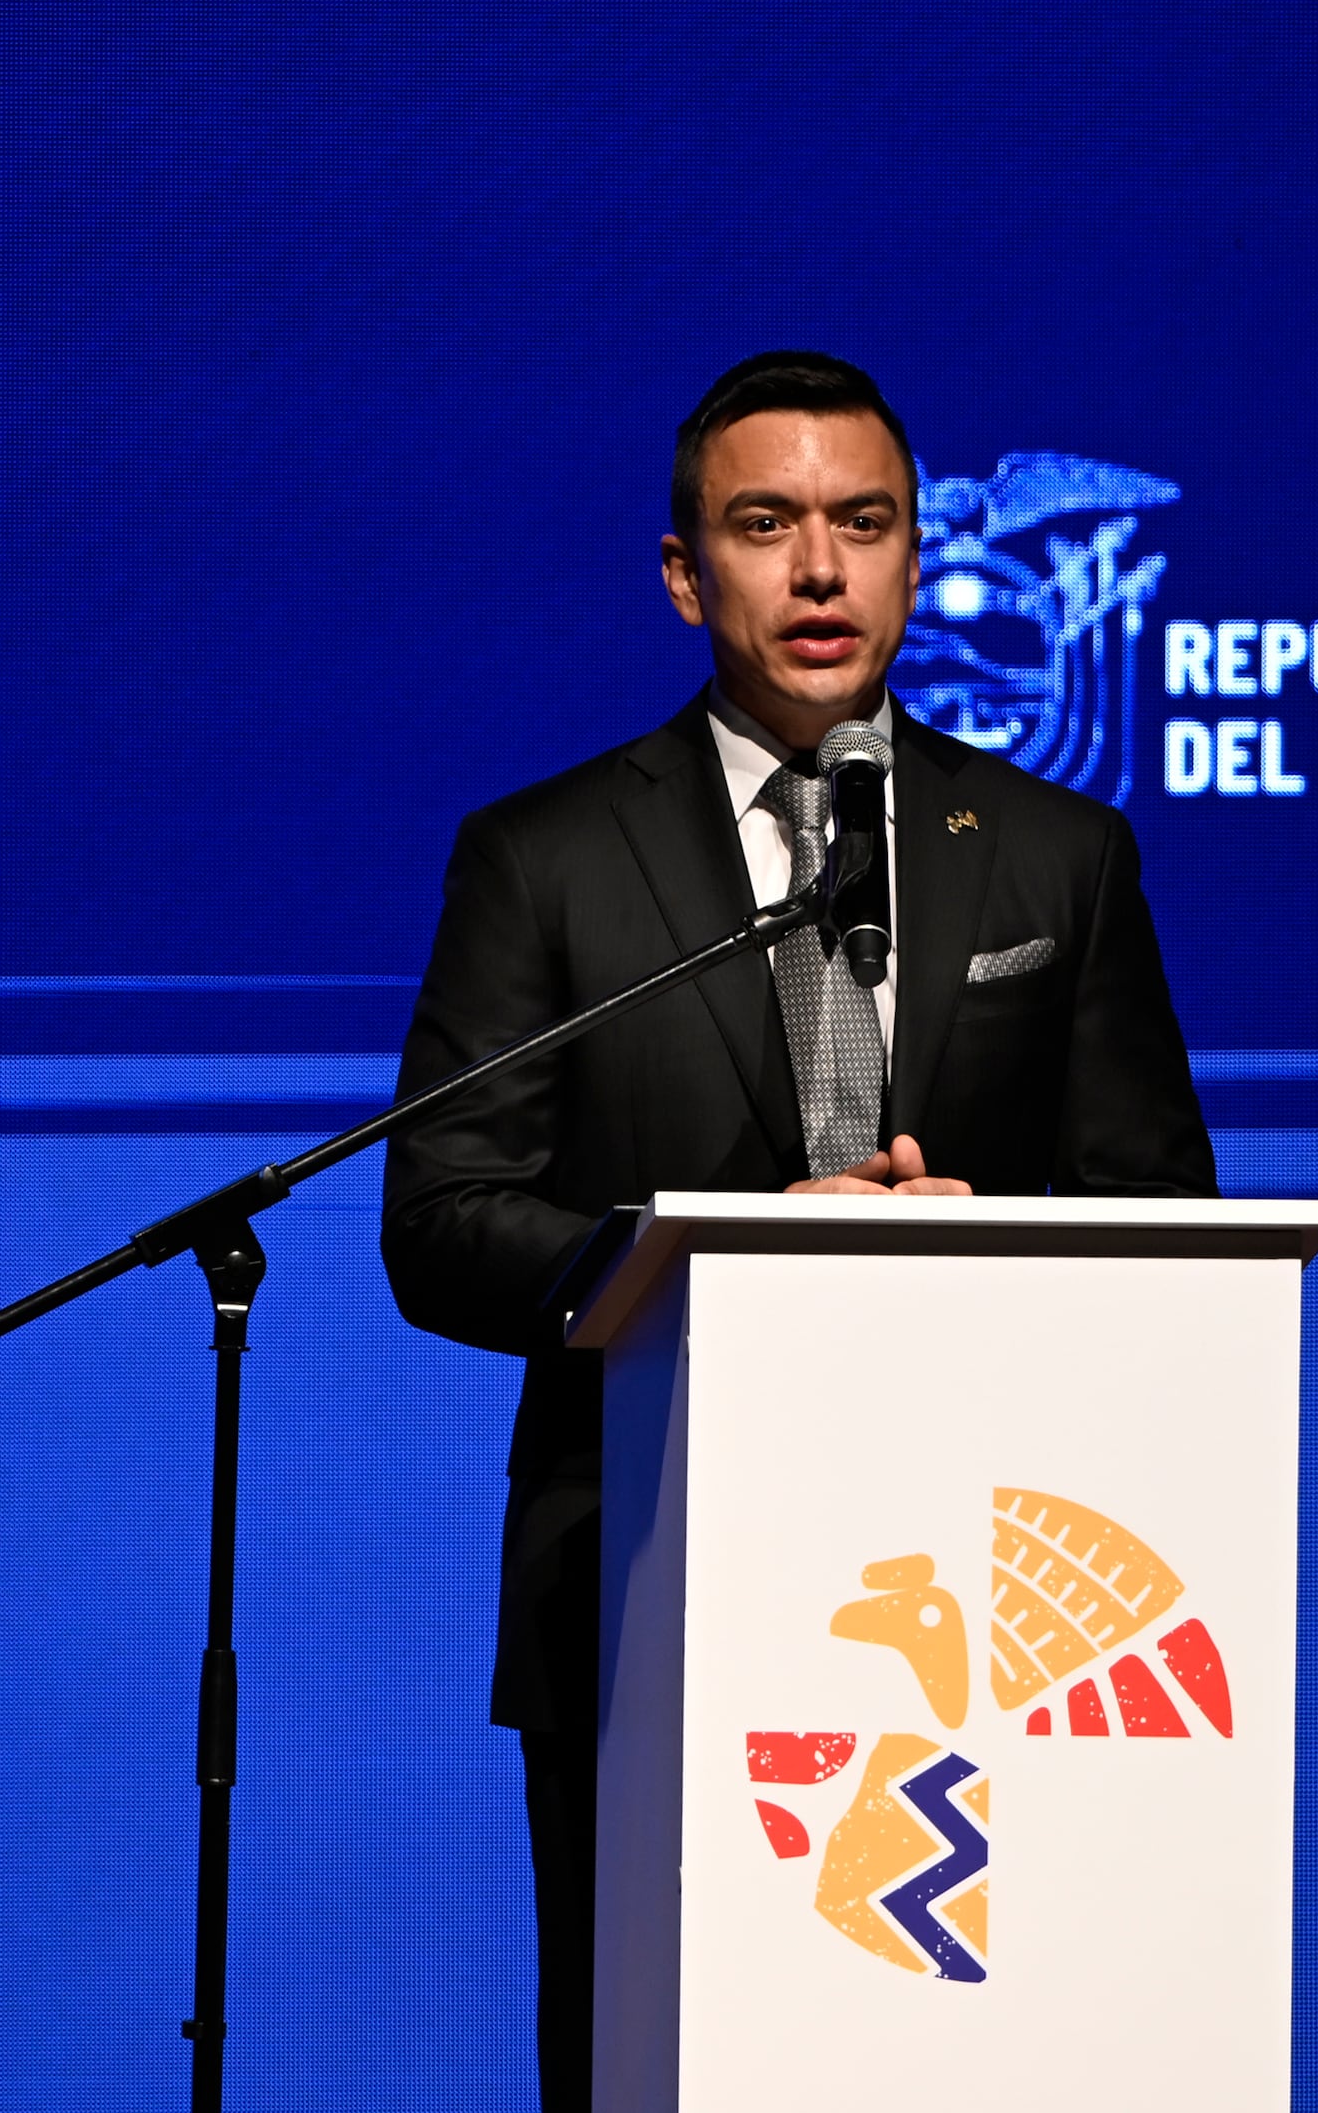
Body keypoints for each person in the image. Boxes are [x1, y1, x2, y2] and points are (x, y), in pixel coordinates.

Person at [378, 350, 1217, 2113]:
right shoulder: (546, 860)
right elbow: (442, 1218)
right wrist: (715, 1257)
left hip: (1000, 1622)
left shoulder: (1061, 856)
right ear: (687, 573)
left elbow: (1167, 1227)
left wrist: (986, 1246)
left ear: (917, 558)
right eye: (766, 527)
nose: (820, 571)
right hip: (650, 1584)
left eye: (864, 524)